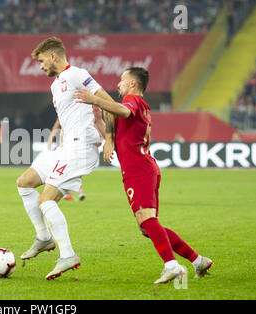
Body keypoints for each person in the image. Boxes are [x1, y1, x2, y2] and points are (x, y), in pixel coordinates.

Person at [73, 67, 213, 284]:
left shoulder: (134, 102)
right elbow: (114, 116)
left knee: (147, 220)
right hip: (142, 168)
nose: (118, 84)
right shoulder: (131, 105)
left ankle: (171, 265)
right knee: (147, 226)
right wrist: (107, 134)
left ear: (132, 84)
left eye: (122, 80)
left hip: (139, 169)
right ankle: (198, 261)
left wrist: (96, 99)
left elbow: (124, 111)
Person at [16, 37, 113, 280]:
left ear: (53, 57)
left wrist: (109, 138)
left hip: (81, 147)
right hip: (66, 146)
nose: (40, 66)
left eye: (41, 61)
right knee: (24, 182)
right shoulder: (56, 84)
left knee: (46, 201)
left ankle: (68, 255)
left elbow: (109, 103)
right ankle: (44, 237)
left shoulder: (77, 74)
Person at [47, 118, 86, 201]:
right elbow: (57, 124)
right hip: (68, 143)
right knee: (73, 167)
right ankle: (76, 191)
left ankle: (70, 192)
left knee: (72, 168)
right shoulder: (67, 111)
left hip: (74, 142)